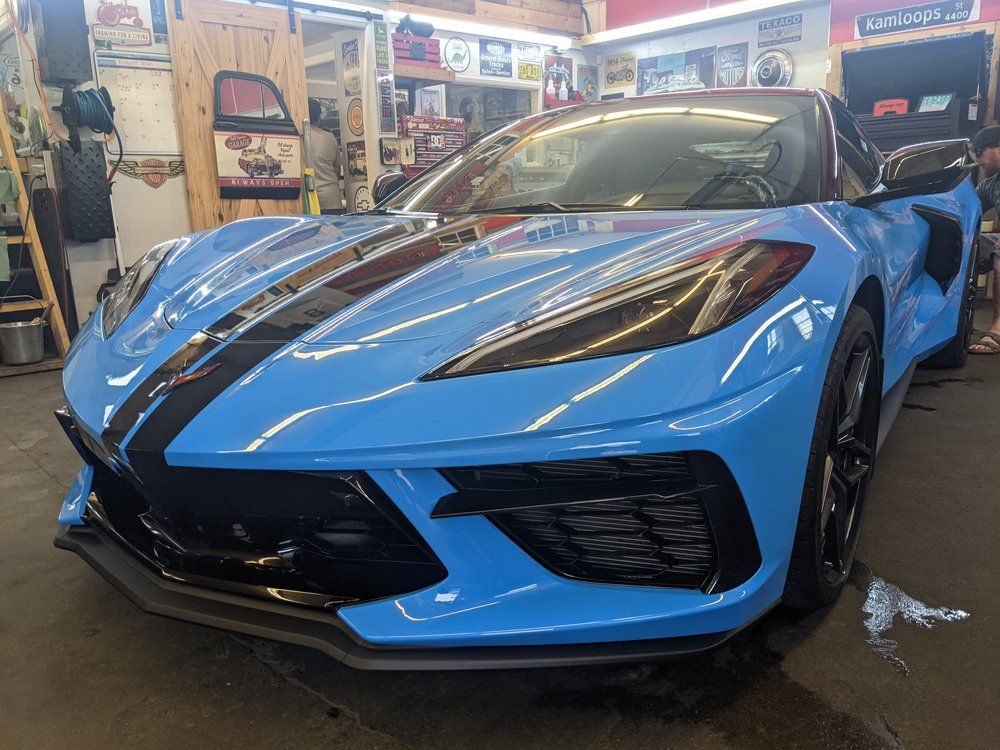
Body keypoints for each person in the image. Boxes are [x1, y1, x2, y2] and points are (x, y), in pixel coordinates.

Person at [970, 125, 1000, 353]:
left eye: (980, 152)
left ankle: (998, 327)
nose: (978, 160)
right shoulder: (990, 185)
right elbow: (968, 209)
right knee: (967, 246)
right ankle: (957, 321)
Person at [308, 98, 344, 215]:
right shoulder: (330, 138)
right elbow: (337, 170)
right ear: (319, 117)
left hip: (309, 200)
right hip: (332, 199)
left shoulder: (299, 137)